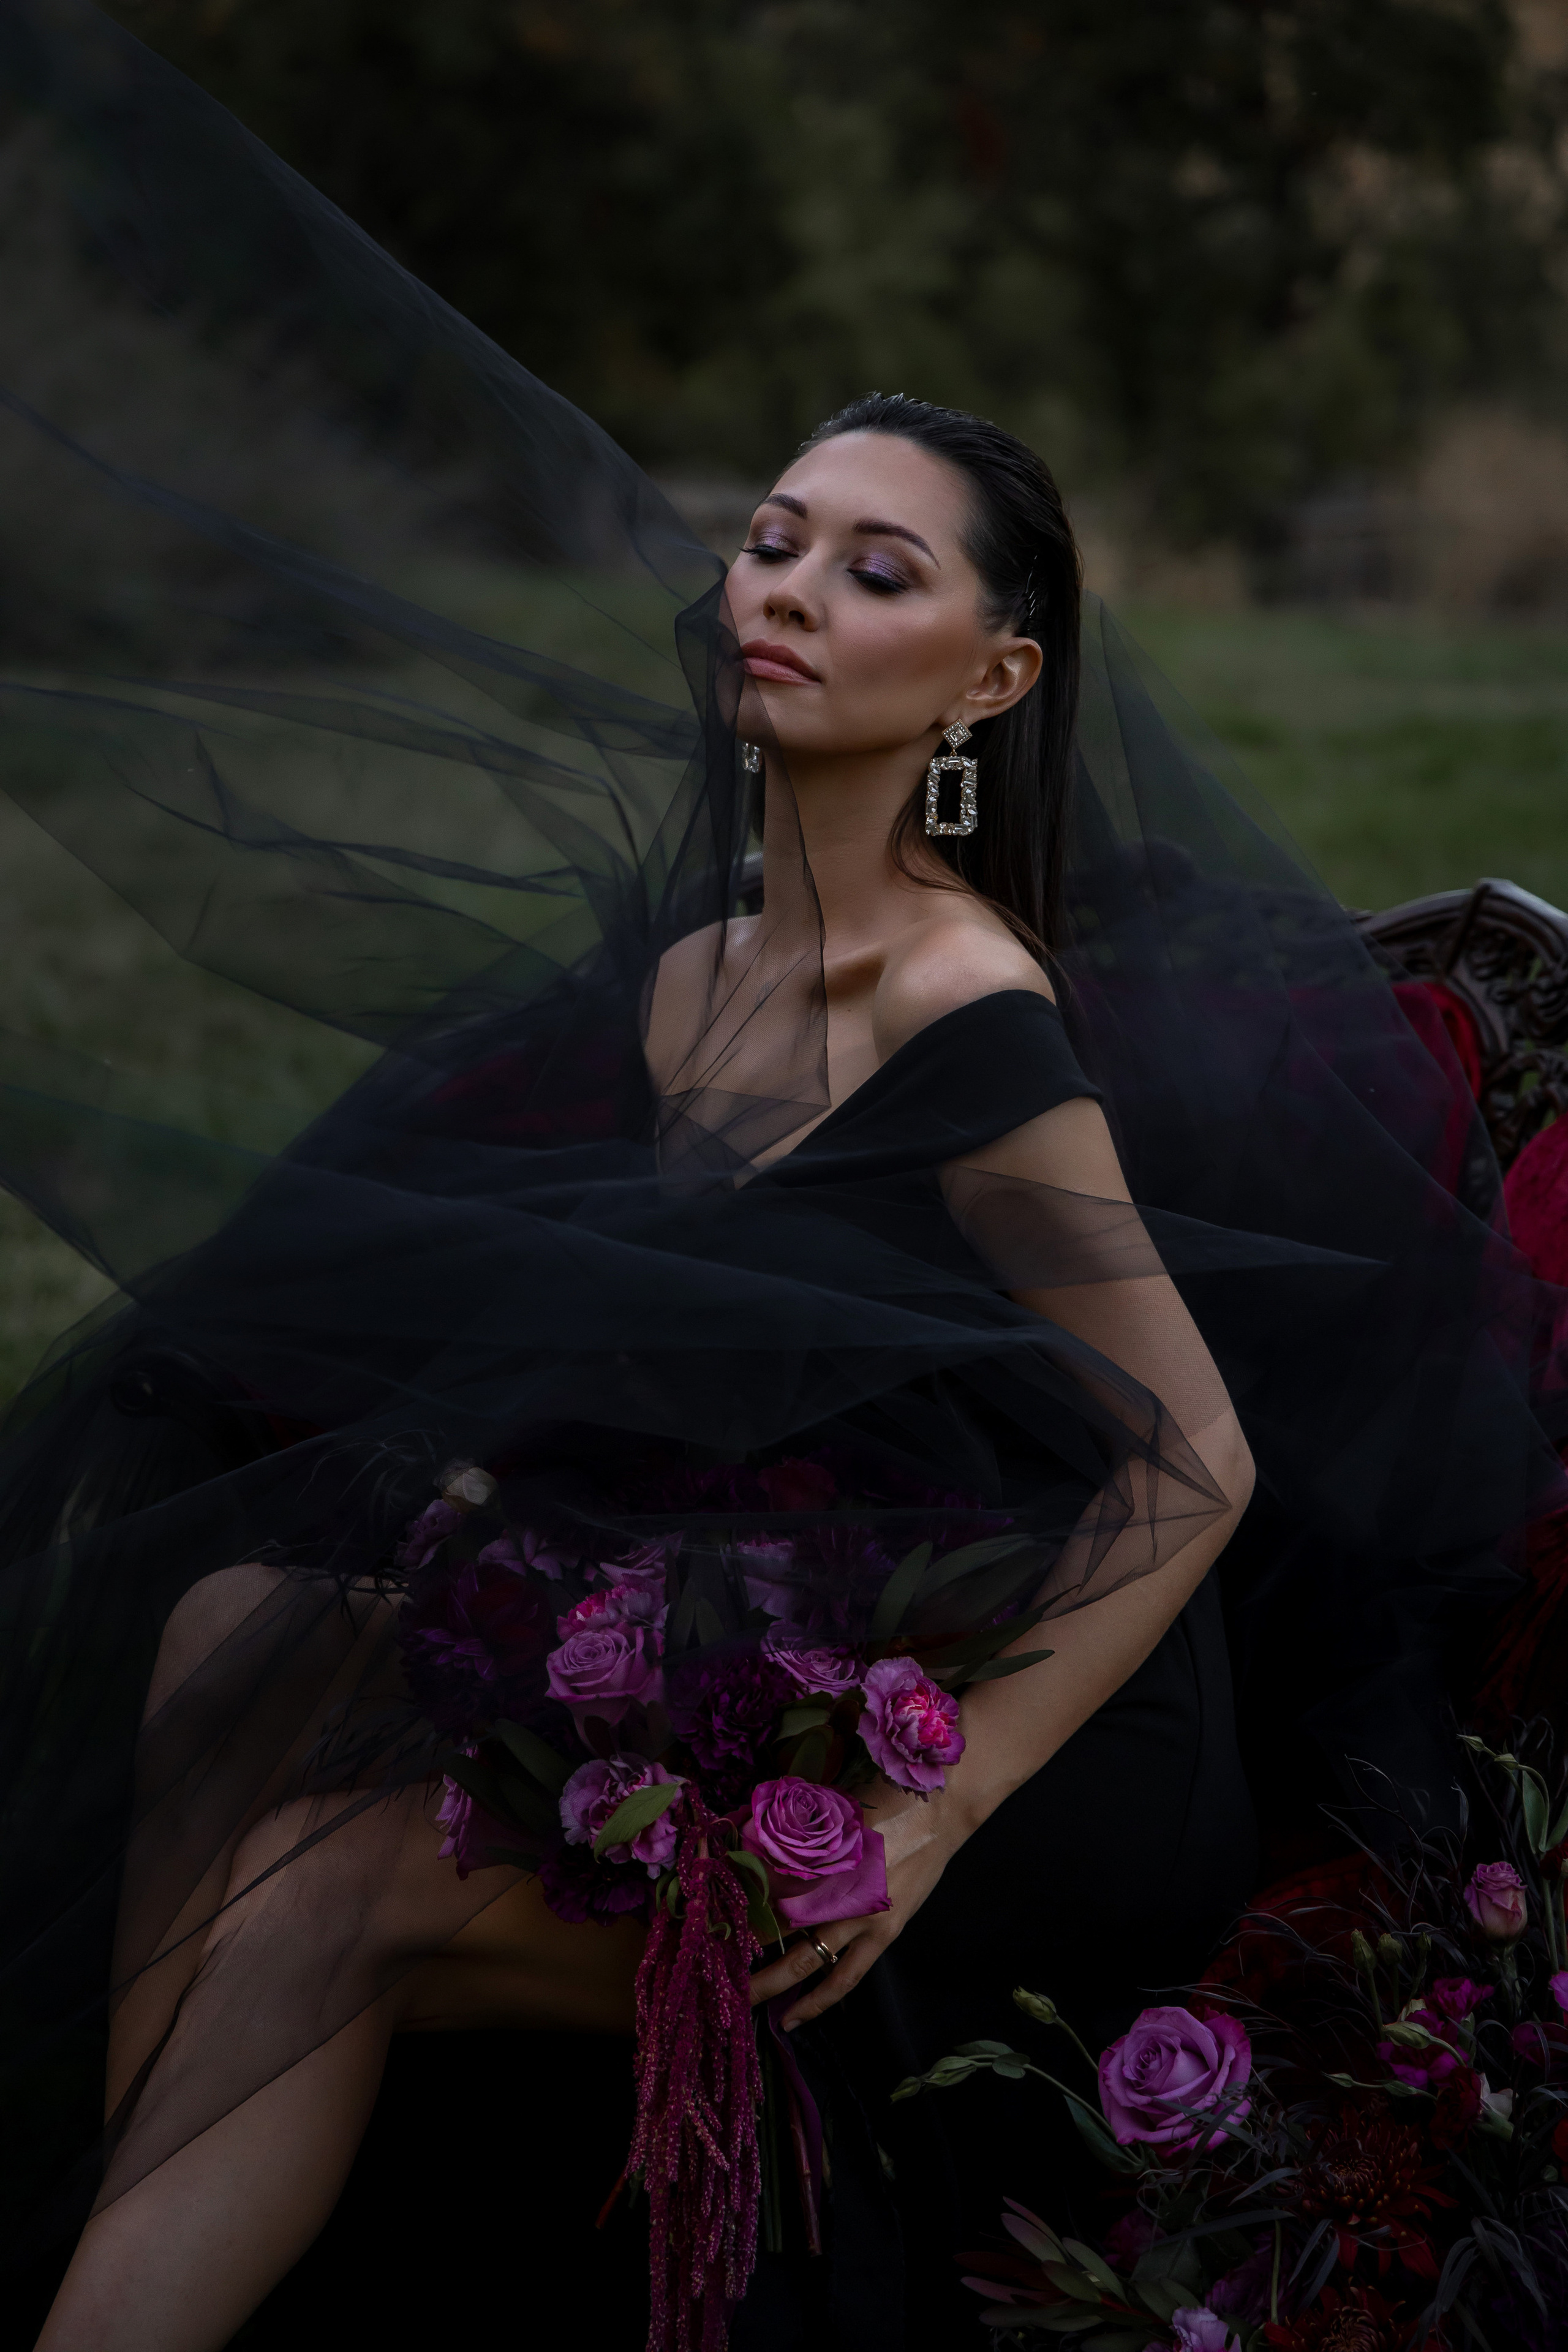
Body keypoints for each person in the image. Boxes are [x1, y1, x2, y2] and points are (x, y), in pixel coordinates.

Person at [0, 10, 1559, 2350]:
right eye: (772, 539)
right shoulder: (693, 975)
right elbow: (681, 1341)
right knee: (232, 1632)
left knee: (314, 1895)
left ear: (993, 679)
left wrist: (938, 1813)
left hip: (1020, 1736)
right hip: (773, 1620)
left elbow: (1199, 1464)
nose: (789, 589)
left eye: (876, 570)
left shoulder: (972, 1018)